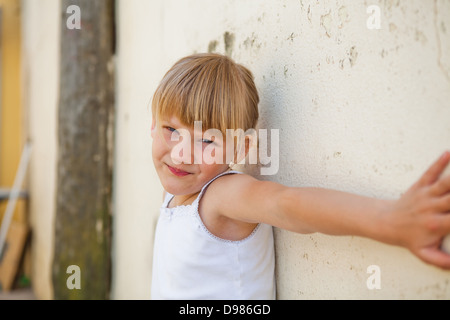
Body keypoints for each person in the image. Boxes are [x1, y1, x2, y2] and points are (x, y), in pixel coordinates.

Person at [149, 53, 450, 299]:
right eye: (171, 130)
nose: (181, 153)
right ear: (153, 124)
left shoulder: (221, 195)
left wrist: (391, 220)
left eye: (207, 141)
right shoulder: (173, 196)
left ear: (240, 149)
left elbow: (288, 204)